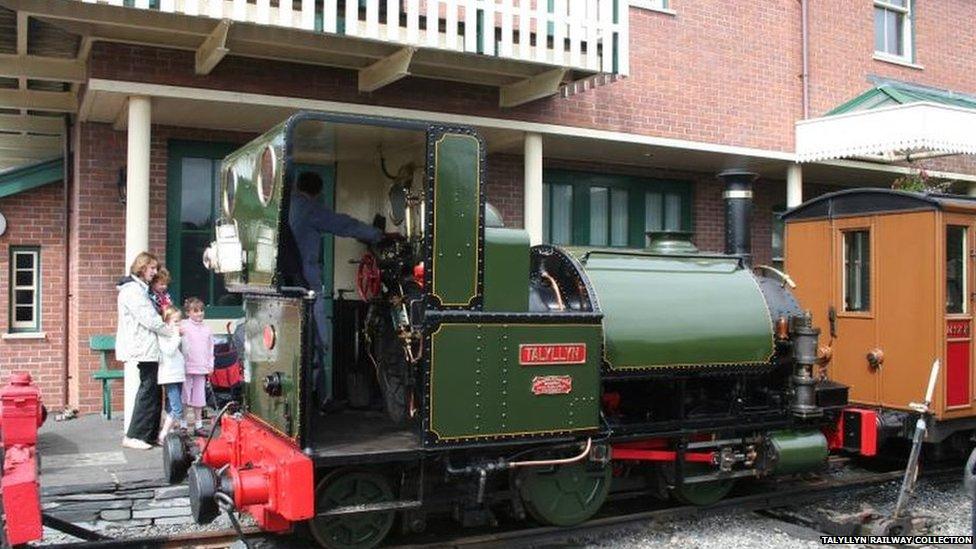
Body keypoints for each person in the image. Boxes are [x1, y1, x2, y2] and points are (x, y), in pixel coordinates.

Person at [288, 171, 382, 406]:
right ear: (318, 192)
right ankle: (317, 402)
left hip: (286, 285)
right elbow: (343, 224)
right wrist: (377, 234)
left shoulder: (286, 207)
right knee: (318, 342)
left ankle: (314, 401)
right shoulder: (310, 209)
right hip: (307, 285)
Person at [117, 251, 175, 450]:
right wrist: (172, 331)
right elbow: (150, 319)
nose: (154, 272)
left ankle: (148, 435)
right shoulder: (132, 290)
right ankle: (134, 435)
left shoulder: (140, 289)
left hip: (148, 346)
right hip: (143, 346)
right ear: (142, 268)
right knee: (148, 389)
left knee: (153, 389)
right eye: (152, 268)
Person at [181, 297, 214, 436]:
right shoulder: (183, 326)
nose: (199, 313)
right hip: (186, 367)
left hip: (201, 367)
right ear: (188, 312)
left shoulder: (207, 329)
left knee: (199, 397)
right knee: (185, 396)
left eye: (201, 310)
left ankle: (198, 425)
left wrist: (210, 364)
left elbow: (210, 348)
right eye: (195, 311)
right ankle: (183, 424)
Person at [156, 306, 185, 444]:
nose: (178, 324)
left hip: (178, 374)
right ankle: (164, 433)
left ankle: (170, 432)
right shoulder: (165, 336)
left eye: (180, 321)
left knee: (170, 406)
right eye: (175, 321)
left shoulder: (175, 335)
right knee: (177, 408)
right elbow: (170, 350)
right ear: (166, 322)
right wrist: (176, 335)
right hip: (169, 375)